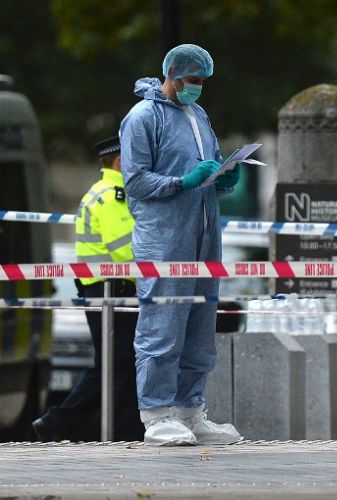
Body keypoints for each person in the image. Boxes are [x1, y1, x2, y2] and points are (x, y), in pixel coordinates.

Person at [119, 43, 241, 446]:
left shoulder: (197, 114)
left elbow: (212, 162)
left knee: (200, 326)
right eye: (192, 80)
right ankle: (156, 414)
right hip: (165, 239)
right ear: (172, 74)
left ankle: (190, 411)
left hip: (204, 234)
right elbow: (135, 181)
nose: (198, 87)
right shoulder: (142, 118)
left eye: (203, 82)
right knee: (163, 325)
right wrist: (182, 182)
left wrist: (223, 176)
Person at [33, 136, 144, 442]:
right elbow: (126, 249)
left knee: (118, 363)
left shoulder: (106, 192)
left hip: (109, 288)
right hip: (114, 288)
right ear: (121, 162)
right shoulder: (113, 196)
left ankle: (116, 429)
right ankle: (63, 423)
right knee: (117, 363)